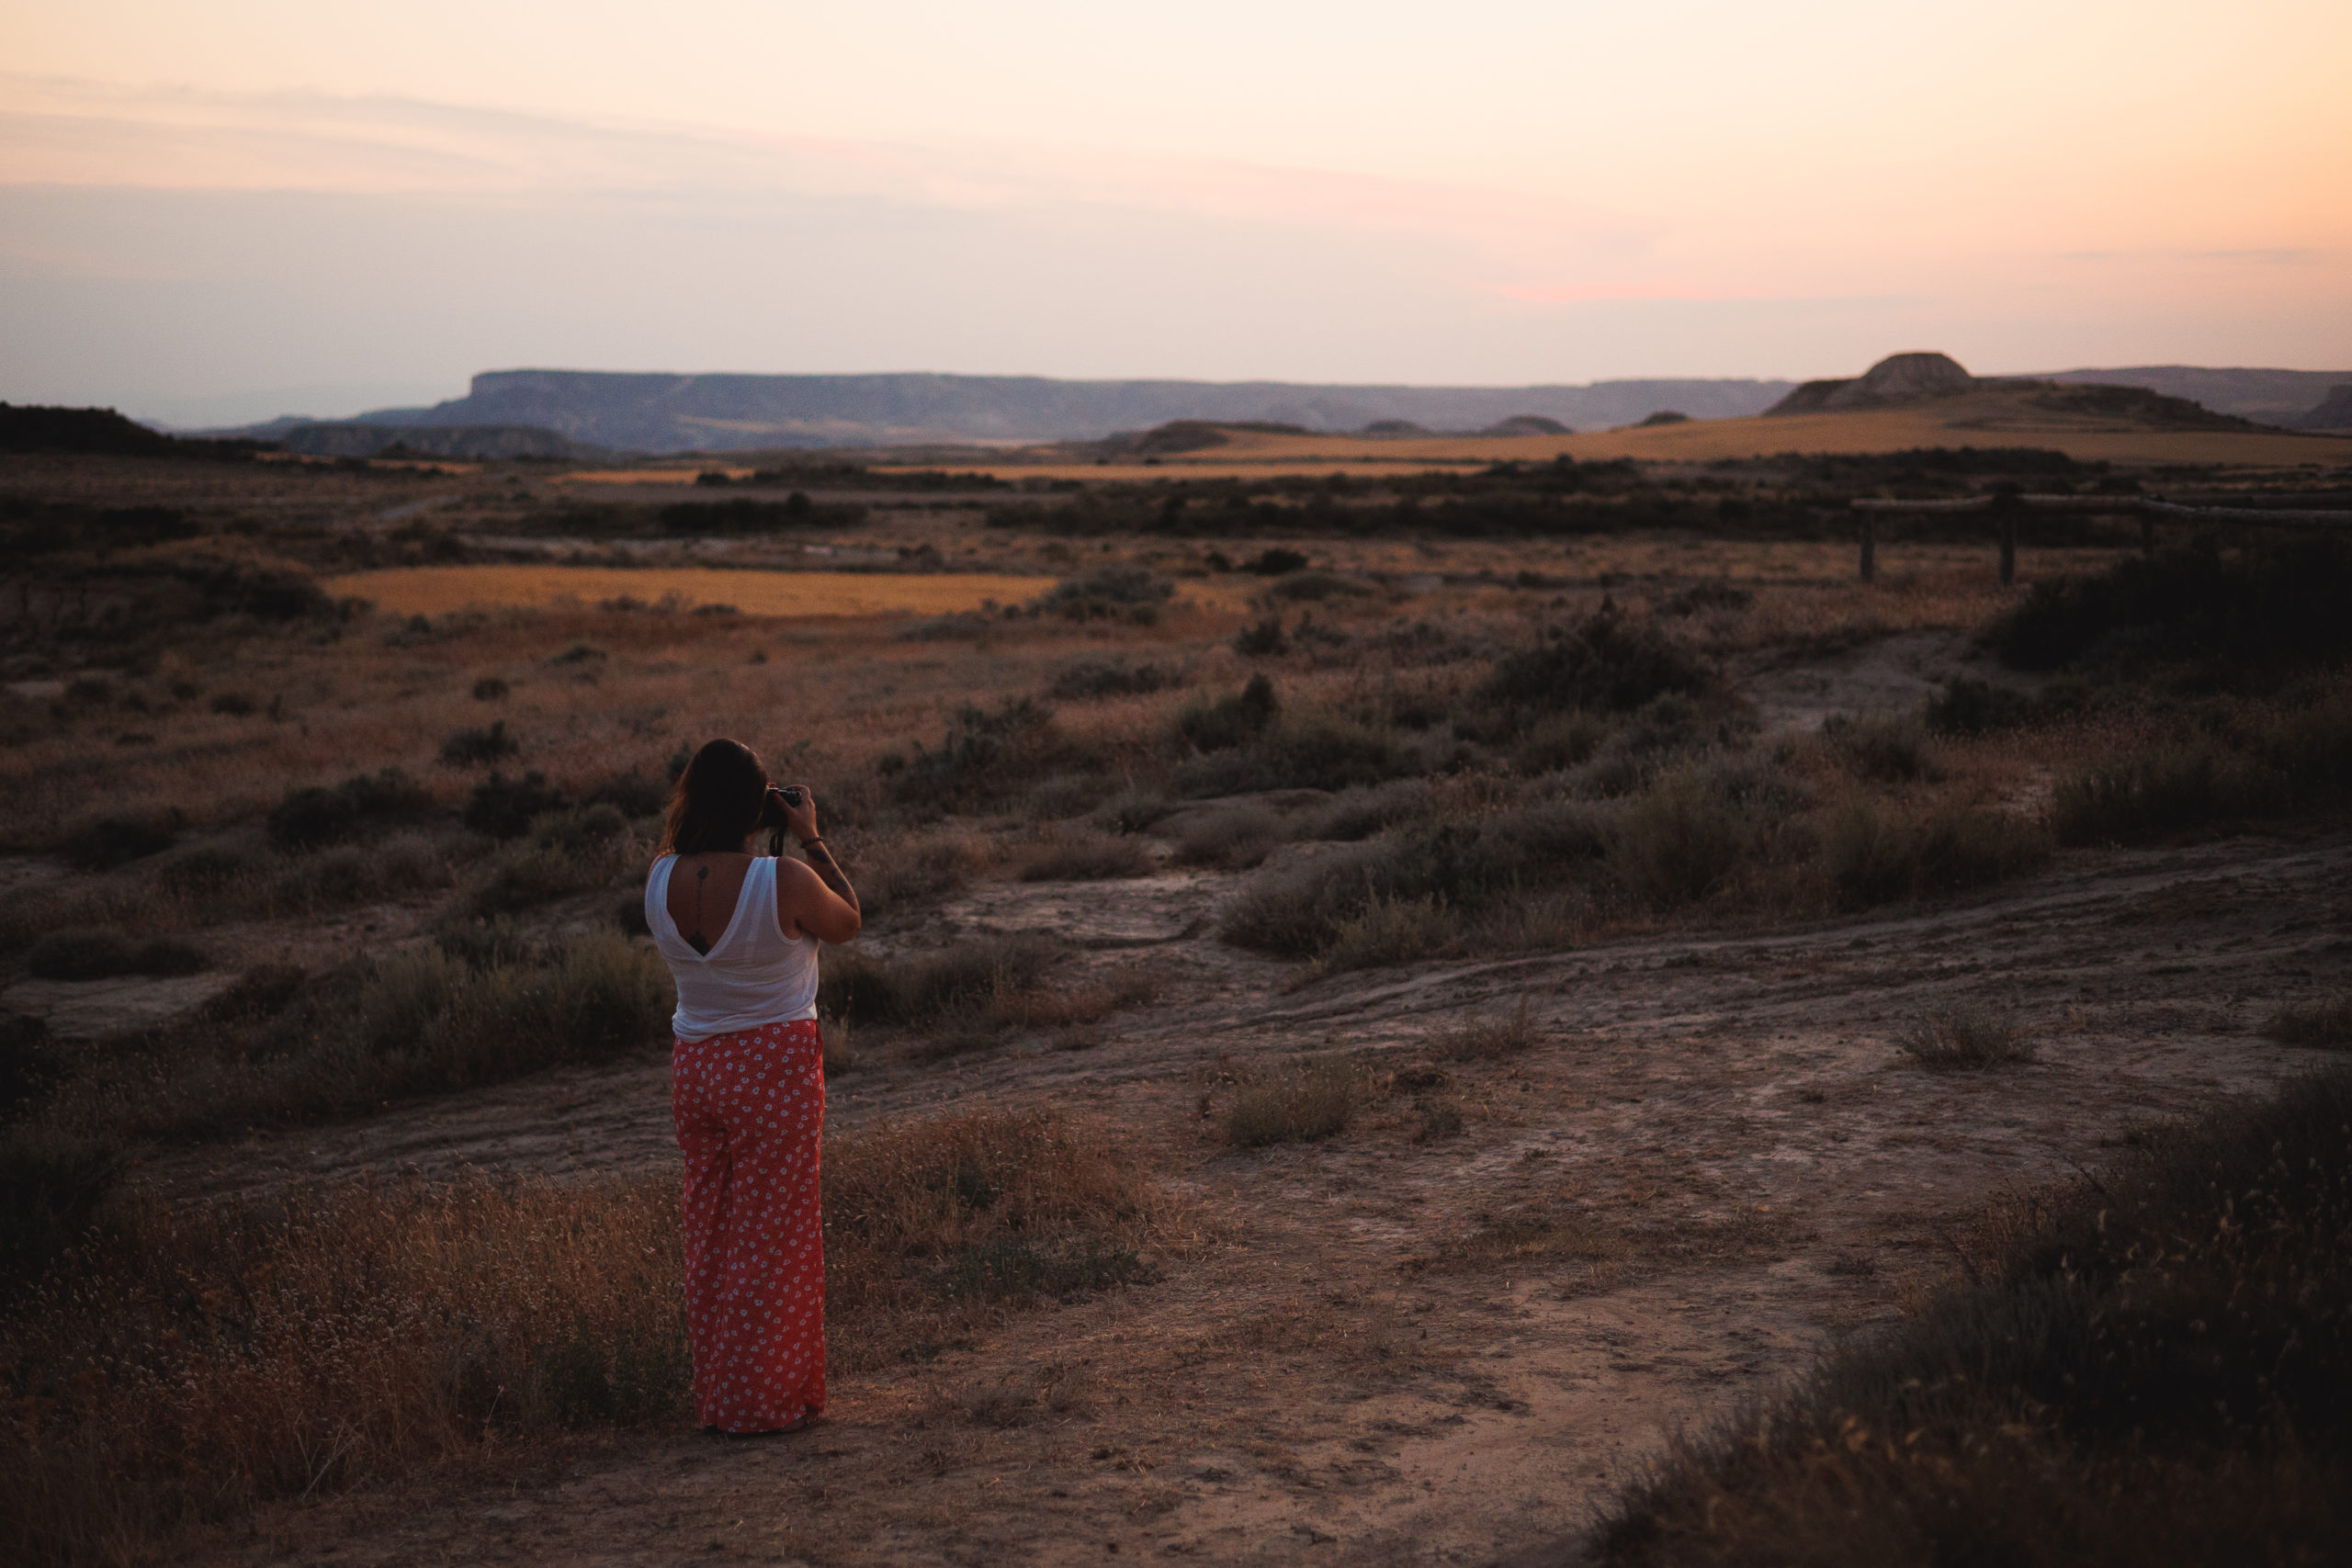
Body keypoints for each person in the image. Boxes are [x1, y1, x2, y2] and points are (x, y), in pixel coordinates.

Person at [643, 739, 860, 1437]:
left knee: (709, 1233)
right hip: (772, 1067)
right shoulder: (783, 879)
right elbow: (848, 920)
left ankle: (720, 1398)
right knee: (775, 1235)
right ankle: (762, 1403)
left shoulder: (659, 877)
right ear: (757, 805)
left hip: (695, 1068)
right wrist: (811, 836)